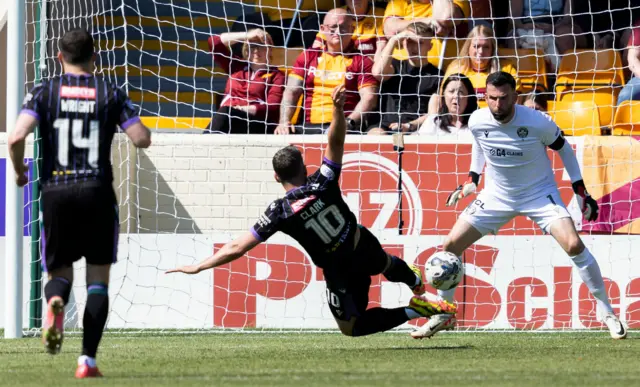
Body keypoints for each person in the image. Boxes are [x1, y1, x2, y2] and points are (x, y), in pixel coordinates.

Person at [166, 84, 456, 336]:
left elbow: (237, 247)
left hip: (338, 270)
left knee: (353, 328)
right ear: (304, 169)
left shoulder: (279, 211)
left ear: (276, 177)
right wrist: (337, 109)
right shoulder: (323, 180)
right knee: (385, 263)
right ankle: (416, 283)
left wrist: (200, 265)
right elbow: (336, 140)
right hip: (360, 244)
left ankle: (414, 310)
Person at [411, 71, 628, 340]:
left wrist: (580, 189)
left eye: (503, 98)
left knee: (573, 244)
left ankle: (606, 310)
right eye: (492, 98)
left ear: (515, 96)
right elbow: (480, 144)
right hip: (496, 196)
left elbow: (564, 148)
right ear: (485, 96)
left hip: (539, 194)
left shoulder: (537, 122)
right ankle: (443, 313)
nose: (497, 105)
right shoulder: (478, 119)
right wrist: (472, 179)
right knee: (450, 247)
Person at [7, 28, 152, 377]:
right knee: (97, 281)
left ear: (60, 56)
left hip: (56, 191)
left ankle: (55, 300)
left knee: (59, 273)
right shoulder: (110, 92)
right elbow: (141, 139)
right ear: (94, 57)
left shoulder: (45, 90)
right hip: (97, 191)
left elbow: (15, 136)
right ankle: (87, 361)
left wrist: (19, 172)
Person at [275, 8, 379, 135]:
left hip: (345, 128)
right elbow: (292, 91)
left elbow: (369, 98)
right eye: (333, 27)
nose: (338, 32)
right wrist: (284, 122)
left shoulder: (362, 61)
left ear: (352, 30)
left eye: (343, 27)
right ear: (323, 29)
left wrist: (348, 122)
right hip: (309, 127)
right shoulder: (308, 56)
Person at [206, 29, 285, 134]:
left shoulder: (277, 75)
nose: (256, 50)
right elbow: (214, 42)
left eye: (261, 46)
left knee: (225, 112)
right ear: (246, 50)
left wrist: (241, 109)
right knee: (225, 114)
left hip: (257, 122)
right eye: (252, 46)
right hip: (228, 119)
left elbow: (272, 108)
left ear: (269, 50)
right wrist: (246, 35)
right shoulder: (235, 66)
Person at [369, 22, 442, 134]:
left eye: (420, 43)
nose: (414, 47)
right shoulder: (394, 66)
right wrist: (393, 40)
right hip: (384, 127)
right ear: (403, 43)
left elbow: (434, 113)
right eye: (410, 41)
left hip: (417, 130)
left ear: (430, 46)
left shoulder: (437, 75)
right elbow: (378, 73)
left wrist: (410, 126)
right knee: (377, 135)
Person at [435, 25, 520, 110]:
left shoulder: (506, 68)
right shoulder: (456, 68)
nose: (481, 52)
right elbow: (443, 97)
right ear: (468, 47)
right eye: (476, 46)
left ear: (492, 49)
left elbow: (516, 99)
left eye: (486, 47)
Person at [304, 0, 387, 59]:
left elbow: (381, 49)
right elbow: (317, 44)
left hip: (366, 67)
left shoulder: (379, 15)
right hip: (337, 65)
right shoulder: (336, 14)